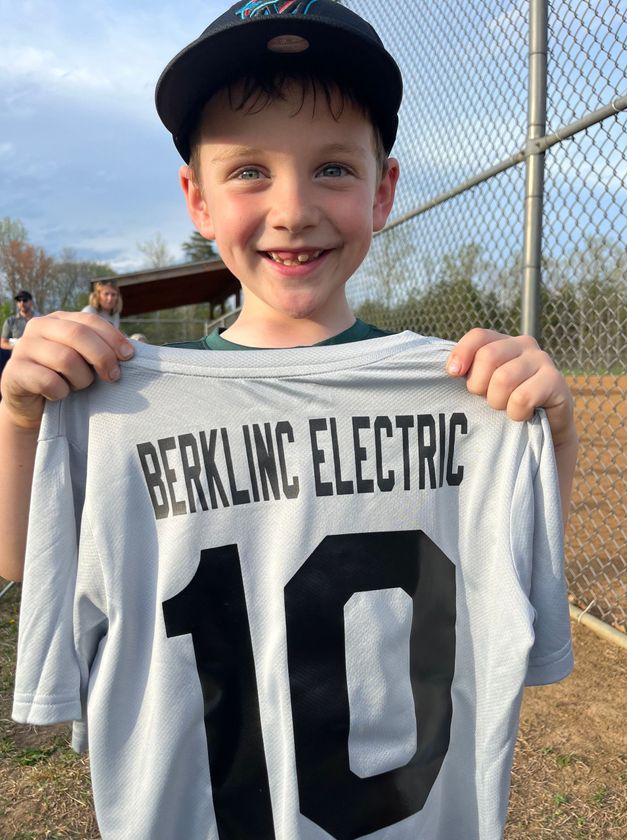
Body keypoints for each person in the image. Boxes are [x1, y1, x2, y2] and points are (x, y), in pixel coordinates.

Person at [1, 2, 578, 837]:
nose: (293, 207)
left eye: (334, 169)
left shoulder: (469, 390)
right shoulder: (126, 399)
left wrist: (548, 431)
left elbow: (521, 571)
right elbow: (28, 560)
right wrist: (24, 422)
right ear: (196, 199)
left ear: (384, 192)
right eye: (249, 172)